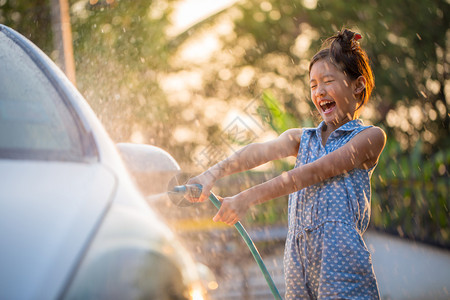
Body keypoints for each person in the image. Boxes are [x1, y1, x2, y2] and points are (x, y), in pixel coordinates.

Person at [188, 28, 386, 299]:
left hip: (340, 260)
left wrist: (246, 198)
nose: (320, 91)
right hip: (297, 260)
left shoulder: (370, 137)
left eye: (328, 81)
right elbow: (257, 152)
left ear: (358, 84)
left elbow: (316, 172)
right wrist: (210, 174)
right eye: (313, 85)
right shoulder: (302, 139)